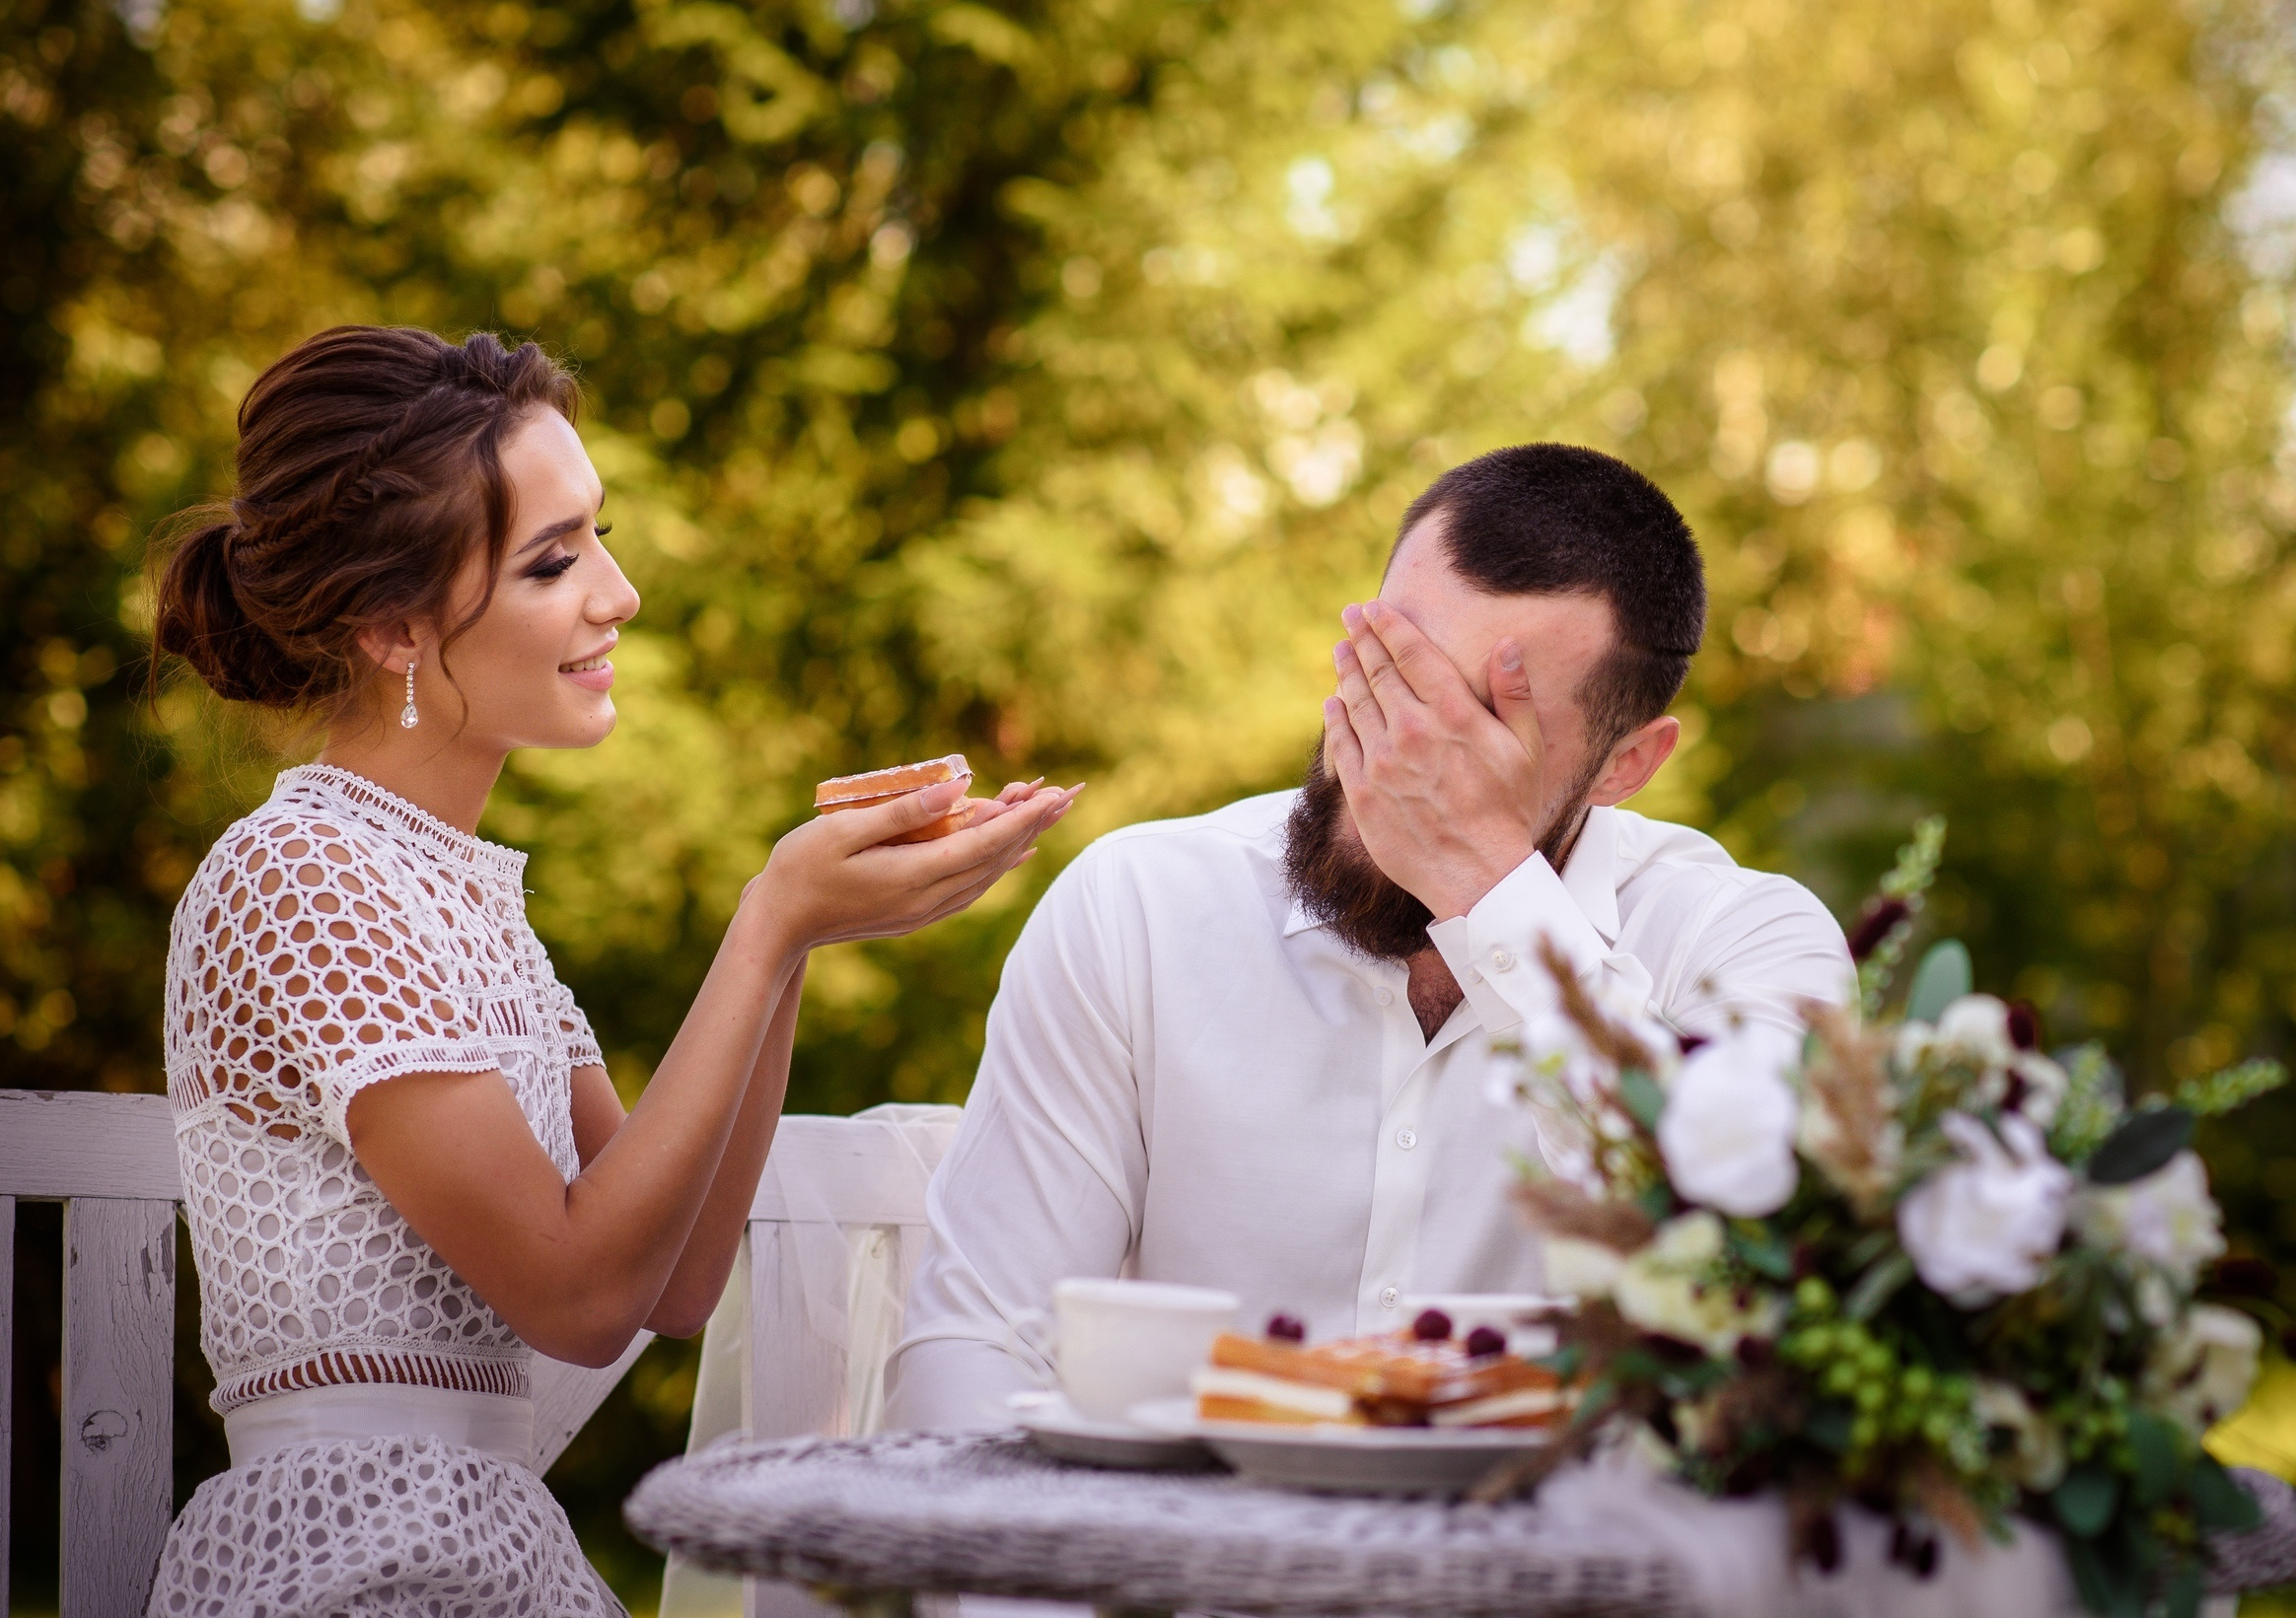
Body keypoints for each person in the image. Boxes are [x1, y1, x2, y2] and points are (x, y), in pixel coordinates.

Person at [144, 324, 1076, 1617]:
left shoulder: (463, 898)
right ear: (393, 627)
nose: (618, 593)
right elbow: (579, 1297)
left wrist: (797, 938)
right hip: (354, 1558)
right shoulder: (303, 879)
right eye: (553, 559)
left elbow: (674, 1280)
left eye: (601, 535)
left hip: (485, 1541)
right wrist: (767, 921)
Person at [887, 443, 1854, 1431]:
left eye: (1483, 716)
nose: (1400, 746)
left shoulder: (1745, 941)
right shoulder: (1139, 904)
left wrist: (1486, 886)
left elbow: (1743, 1270)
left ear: (1626, 765)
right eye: (1391, 668)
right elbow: (980, 1341)